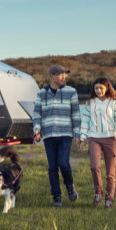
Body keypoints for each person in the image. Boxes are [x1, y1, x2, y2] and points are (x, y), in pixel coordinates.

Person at [32, 65, 82, 207]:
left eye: (64, 74)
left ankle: (70, 186)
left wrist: (77, 133)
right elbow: (37, 114)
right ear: (52, 76)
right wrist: (37, 129)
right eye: (60, 74)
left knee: (63, 163)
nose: (63, 77)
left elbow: (76, 114)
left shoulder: (71, 92)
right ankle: (56, 196)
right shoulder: (42, 93)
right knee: (52, 167)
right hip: (48, 135)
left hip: (65, 133)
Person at [78, 77, 116, 208]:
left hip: (111, 139)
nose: (98, 90)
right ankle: (98, 192)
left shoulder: (114, 102)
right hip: (94, 138)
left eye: (101, 88)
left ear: (107, 88)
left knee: (110, 173)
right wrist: (82, 138)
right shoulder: (90, 103)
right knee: (94, 167)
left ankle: (109, 198)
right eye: (96, 88)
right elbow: (85, 121)